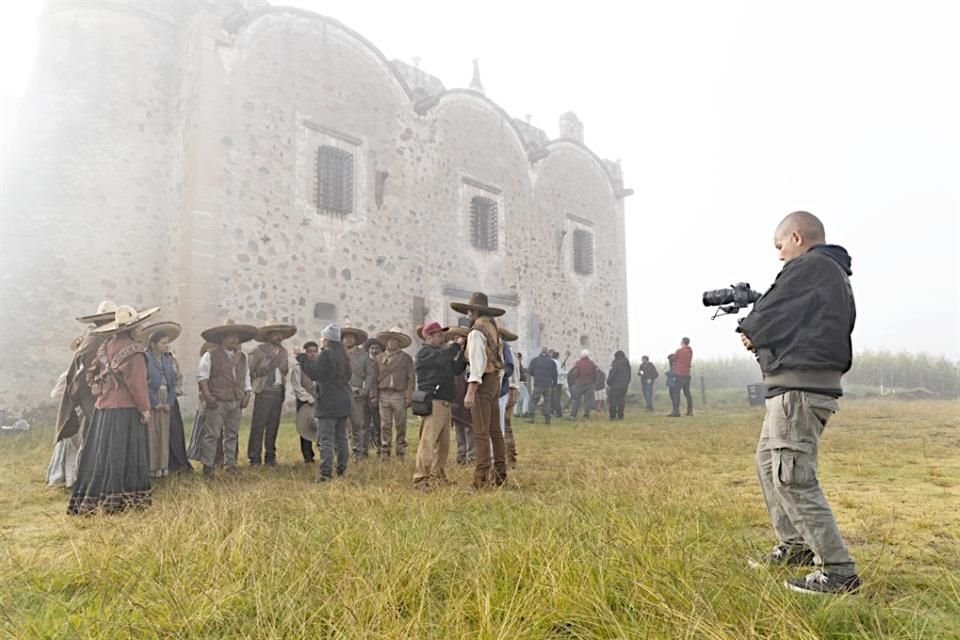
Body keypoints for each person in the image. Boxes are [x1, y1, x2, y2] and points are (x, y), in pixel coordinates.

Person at [737, 210, 860, 595]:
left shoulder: (811, 266)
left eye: (779, 246)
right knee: (769, 462)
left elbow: (768, 313)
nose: (779, 256)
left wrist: (751, 330)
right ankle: (795, 547)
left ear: (796, 237)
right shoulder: (831, 273)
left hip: (799, 388)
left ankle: (839, 572)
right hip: (795, 386)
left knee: (793, 476)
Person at [68, 305, 158, 515]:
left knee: (102, 454)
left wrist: (101, 390)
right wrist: (145, 409)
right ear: (132, 328)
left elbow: (90, 376)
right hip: (125, 412)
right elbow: (138, 385)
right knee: (124, 454)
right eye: (139, 326)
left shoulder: (104, 348)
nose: (141, 329)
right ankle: (121, 502)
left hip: (103, 411)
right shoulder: (135, 352)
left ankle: (95, 500)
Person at [48, 301, 116, 488]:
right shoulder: (94, 339)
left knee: (85, 439)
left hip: (90, 395)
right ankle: (76, 479)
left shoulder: (101, 338)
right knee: (81, 439)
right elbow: (83, 373)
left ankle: (80, 478)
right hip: (85, 396)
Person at [451, 292, 507, 489]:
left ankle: (481, 479)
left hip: (482, 383)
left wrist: (471, 389)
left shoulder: (476, 332)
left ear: (474, 311)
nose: (467, 316)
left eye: (469, 311)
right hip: (493, 382)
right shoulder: (493, 329)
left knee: (480, 432)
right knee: (495, 431)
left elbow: (477, 363)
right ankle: (500, 474)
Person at [197, 320, 257, 476]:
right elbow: (202, 378)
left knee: (232, 434)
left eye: (236, 338)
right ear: (222, 339)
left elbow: (246, 377)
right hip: (217, 401)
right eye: (231, 337)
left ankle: (230, 465)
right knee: (212, 435)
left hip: (236, 401)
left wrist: (247, 394)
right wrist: (208, 397)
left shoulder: (242, 358)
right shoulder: (210, 356)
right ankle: (208, 467)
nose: (234, 341)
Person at [412, 322, 465, 491]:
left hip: (444, 402)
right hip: (433, 401)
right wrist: (457, 345)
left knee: (443, 445)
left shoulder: (439, 354)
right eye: (439, 335)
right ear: (429, 337)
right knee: (428, 442)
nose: (442, 338)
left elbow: (456, 369)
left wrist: (463, 353)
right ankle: (421, 478)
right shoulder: (424, 353)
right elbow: (445, 358)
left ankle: (437, 474)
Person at [301, 324, 353, 482]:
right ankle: (342, 470)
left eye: (322, 338)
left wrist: (301, 358)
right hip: (343, 401)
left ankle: (325, 474)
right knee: (341, 438)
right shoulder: (344, 356)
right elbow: (349, 376)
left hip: (328, 403)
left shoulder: (326, 355)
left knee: (326, 440)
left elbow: (314, 373)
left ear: (327, 339)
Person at [247, 321, 295, 466]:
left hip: (278, 391)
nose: (279, 337)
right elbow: (250, 371)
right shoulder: (258, 350)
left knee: (273, 426)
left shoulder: (284, 352)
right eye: (275, 334)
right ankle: (254, 458)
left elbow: (285, 371)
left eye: (280, 334)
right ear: (268, 336)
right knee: (258, 426)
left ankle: (270, 457)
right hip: (264, 391)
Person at [142, 322, 182, 478]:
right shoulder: (146, 358)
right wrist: (154, 402)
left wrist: (169, 403)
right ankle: (152, 467)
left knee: (165, 433)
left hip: (166, 400)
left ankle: (163, 467)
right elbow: (144, 382)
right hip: (151, 398)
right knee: (153, 433)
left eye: (167, 343)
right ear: (153, 344)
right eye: (163, 343)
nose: (167, 346)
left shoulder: (168, 360)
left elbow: (173, 383)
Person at [372, 327, 415, 460]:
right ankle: (385, 451)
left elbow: (411, 378)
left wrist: (408, 396)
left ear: (399, 343)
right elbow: (373, 378)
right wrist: (374, 395)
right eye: (390, 340)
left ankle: (400, 451)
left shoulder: (406, 358)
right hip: (383, 394)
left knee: (400, 424)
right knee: (385, 425)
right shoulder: (378, 358)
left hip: (399, 394)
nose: (392, 343)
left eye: (395, 340)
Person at [342, 325, 374, 460]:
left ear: (356, 340)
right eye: (345, 337)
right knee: (344, 426)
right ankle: (345, 452)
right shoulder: (339, 355)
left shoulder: (364, 356)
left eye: (351, 337)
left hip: (357, 394)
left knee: (358, 425)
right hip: (341, 393)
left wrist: (365, 390)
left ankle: (359, 453)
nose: (348, 340)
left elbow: (370, 375)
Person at [290, 341, 320, 463]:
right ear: (305, 353)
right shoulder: (298, 368)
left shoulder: (320, 367)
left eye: (314, 351)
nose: (312, 354)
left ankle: (323, 451)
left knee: (321, 426)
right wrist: (309, 398)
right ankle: (307, 456)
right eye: (309, 352)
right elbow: (297, 386)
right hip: (304, 401)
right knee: (305, 427)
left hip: (319, 401)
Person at [498, 327, 520, 468]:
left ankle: (509, 457)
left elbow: (511, 372)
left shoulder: (507, 350)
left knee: (505, 425)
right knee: (506, 425)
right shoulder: (509, 350)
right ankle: (509, 457)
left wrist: (511, 390)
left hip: (510, 388)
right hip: (510, 388)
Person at [363, 338, 384, 455]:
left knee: (379, 424)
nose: (374, 350)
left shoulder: (384, 362)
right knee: (363, 425)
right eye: (372, 348)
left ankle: (380, 449)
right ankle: (363, 450)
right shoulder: (365, 362)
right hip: (364, 396)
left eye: (376, 348)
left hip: (379, 396)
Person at [525, 347, 557, 424]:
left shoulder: (535, 360)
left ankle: (531, 418)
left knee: (533, 401)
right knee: (547, 402)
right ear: (547, 353)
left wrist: (536, 375)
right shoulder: (551, 362)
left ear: (541, 352)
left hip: (538, 384)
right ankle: (547, 419)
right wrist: (554, 384)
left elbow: (530, 371)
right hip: (548, 385)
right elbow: (555, 374)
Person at [568, 350, 598, 420]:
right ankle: (586, 416)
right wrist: (594, 382)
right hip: (590, 384)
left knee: (576, 400)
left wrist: (576, 378)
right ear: (588, 356)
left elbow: (575, 373)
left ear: (581, 355)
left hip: (579, 384)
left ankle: (573, 416)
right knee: (587, 400)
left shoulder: (578, 363)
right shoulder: (592, 363)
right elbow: (596, 374)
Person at [671, 337, 694, 416]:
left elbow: (673, 359)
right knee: (687, 393)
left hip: (679, 374)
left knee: (676, 392)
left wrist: (672, 357)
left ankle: (676, 411)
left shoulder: (679, 351)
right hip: (687, 374)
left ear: (683, 342)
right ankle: (690, 410)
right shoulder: (690, 351)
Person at [607, 350, 632, 421]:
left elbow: (612, 374)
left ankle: (613, 416)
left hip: (615, 385)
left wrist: (609, 382)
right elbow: (629, 376)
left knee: (613, 401)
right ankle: (621, 416)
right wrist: (626, 383)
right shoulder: (627, 364)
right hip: (624, 386)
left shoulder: (616, 363)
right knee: (621, 400)